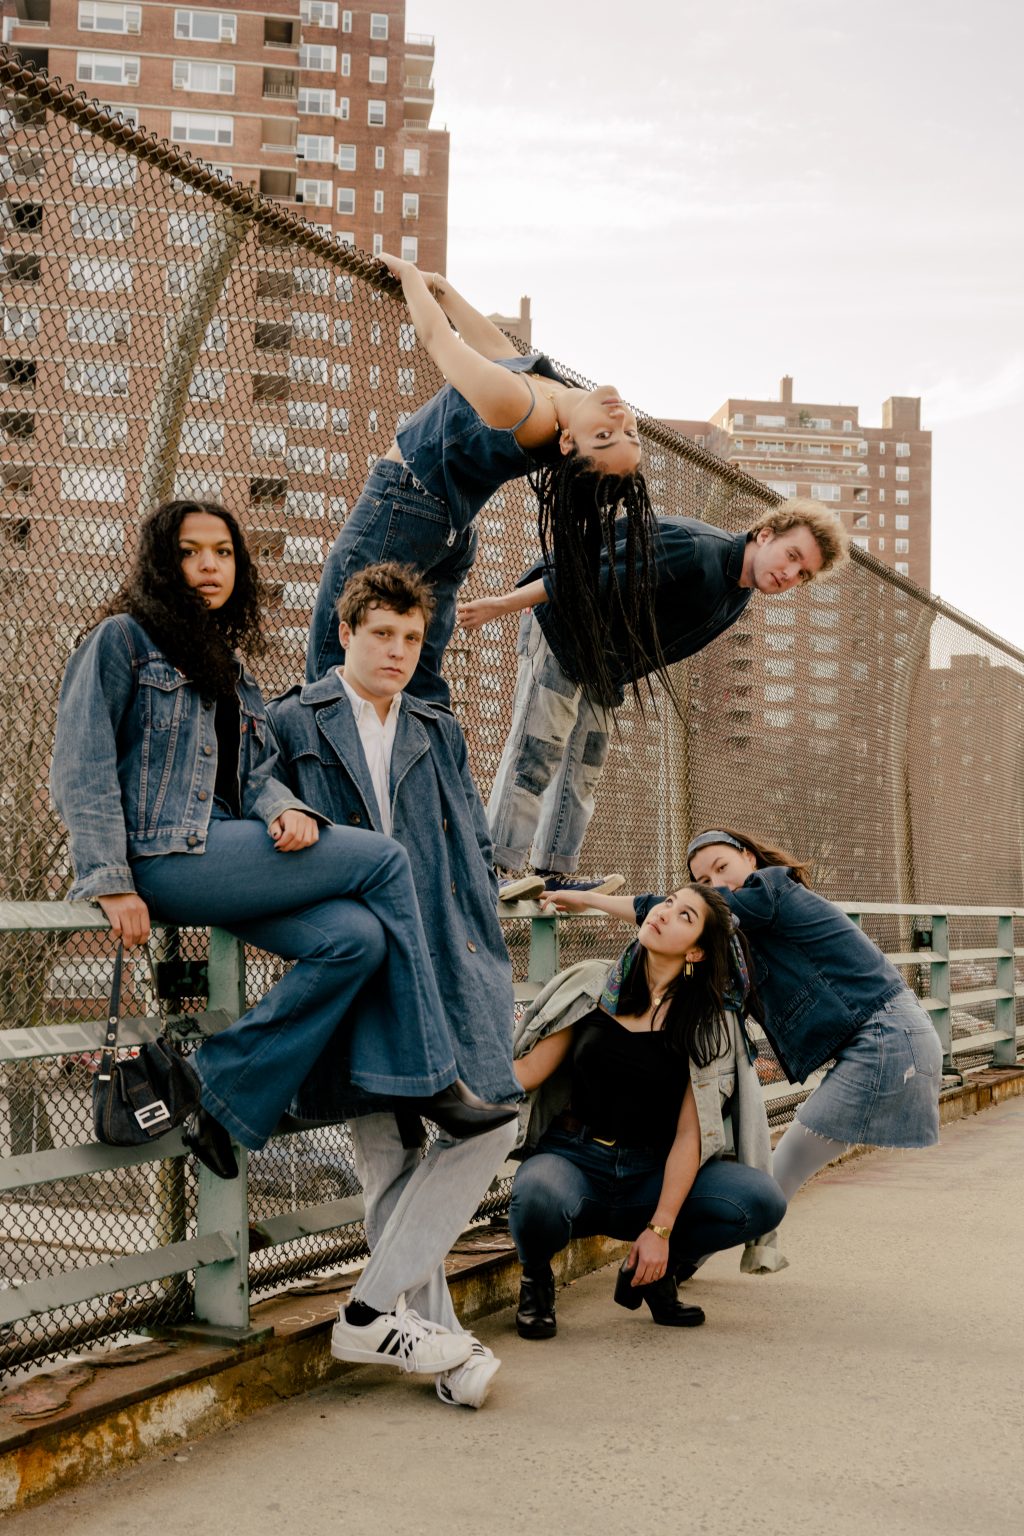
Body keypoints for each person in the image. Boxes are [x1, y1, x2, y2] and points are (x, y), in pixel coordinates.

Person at [50, 501, 517, 1375]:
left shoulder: (227, 665)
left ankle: (217, 1086)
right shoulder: (121, 640)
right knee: (382, 861)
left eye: (223, 551)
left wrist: (285, 809)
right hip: (164, 853)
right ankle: (433, 1077)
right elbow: (79, 758)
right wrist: (107, 877)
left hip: (228, 853)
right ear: (161, 562)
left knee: (355, 939)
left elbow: (253, 776)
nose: (209, 564)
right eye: (190, 551)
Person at [267, 561, 520, 1408]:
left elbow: (472, 842)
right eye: (383, 634)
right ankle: (444, 1353)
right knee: (388, 1153)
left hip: (448, 953)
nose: (399, 651)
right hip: (361, 958)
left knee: (491, 1119)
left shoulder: (437, 725)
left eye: (413, 637)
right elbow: (260, 809)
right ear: (345, 634)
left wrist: (485, 934)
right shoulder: (292, 719)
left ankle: (371, 1309)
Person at [306, 254, 668, 748]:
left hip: (405, 506)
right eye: (627, 433)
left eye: (605, 436)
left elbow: (439, 341)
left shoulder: (523, 408)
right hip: (447, 530)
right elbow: (497, 348)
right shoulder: (554, 395)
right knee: (421, 679)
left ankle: (321, 768)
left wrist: (410, 277)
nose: (620, 419)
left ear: (567, 444)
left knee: (337, 648)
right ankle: (438, 781)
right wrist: (441, 288)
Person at [457, 501, 849, 901]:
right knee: (538, 749)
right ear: (765, 535)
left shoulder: (737, 596)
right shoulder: (696, 549)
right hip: (563, 625)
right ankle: (494, 867)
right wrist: (502, 604)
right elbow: (589, 575)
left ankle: (553, 871)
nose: (790, 574)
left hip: (605, 663)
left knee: (584, 767)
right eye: (792, 556)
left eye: (803, 574)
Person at [509, 882, 787, 1340]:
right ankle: (536, 1281)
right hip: (575, 1159)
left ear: (696, 952)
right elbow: (529, 1072)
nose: (664, 912)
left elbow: (690, 1136)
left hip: (653, 1173)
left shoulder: (708, 1022)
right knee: (536, 1196)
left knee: (760, 1200)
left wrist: (660, 1230)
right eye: (668, 903)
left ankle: (656, 1272)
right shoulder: (592, 986)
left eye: (684, 916)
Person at [684, 829, 943, 1203]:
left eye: (722, 867)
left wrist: (602, 900)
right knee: (780, 1174)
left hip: (887, 1038)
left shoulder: (772, 889)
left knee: (779, 1175)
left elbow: (684, 911)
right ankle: (749, 1230)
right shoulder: (748, 923)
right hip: (891, 1035)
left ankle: (724, 1234)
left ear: (749, 858)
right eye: (705, 881)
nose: (718, 885)